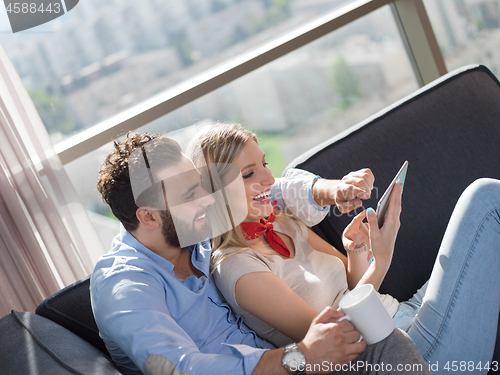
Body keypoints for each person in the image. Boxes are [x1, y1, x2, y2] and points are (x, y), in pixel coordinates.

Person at [90, 131, 430, 375]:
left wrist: (331, 190)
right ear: (148, 216)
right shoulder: (123, 287)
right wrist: (300, 357)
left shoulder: (185, 226)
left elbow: (263, 189)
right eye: (191, 194)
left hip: (295, 363)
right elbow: (176, 368)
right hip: (287, 365)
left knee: (388, 343)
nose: (208, 199)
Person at [187, 123, 500, 375]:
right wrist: (383, 259)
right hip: (403, 352)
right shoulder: (236, 269)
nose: (270, 178)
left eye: (265, 164)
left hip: (404, 311)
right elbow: (337, 336)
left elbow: (352, 286)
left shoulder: (282, 222)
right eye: (249, 174)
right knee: (486, 201)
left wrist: (359, 250)